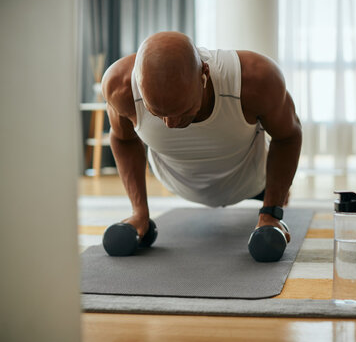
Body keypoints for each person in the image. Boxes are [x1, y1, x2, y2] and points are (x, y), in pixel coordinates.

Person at [101, 31, 302, 245]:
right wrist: (139, 212)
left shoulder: (256, 79)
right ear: (139, 85)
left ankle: (266, 194)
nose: (171, 124)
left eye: (183, 112)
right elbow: (123, 139)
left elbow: (288, 136)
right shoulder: (120, 86)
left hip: (249, 180)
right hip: (177, 182)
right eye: (157, 114)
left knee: (275, 193)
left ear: (204, 74)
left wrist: (271, 212)